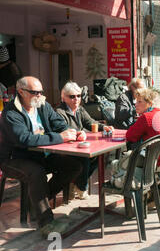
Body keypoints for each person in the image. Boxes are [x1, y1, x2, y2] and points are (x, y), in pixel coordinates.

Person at [0, 76, 83, 237]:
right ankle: (46, 223)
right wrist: (60, 137)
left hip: (40, 156)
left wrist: (73, 132)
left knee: (73, 166)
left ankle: (37, 202)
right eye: (35, 92)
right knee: (36, 173)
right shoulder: (11, 113)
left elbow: (59, 123)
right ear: (21, 92)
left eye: (41, 92)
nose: (39, 95)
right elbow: (25, 139)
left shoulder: (42, 105)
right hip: (14, 159)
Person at [56, 81, 114, 200]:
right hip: (64, 149)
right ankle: (81, 187)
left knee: (98, 156)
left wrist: (104, 127)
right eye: (72, 96)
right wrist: (78, 134)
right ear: (63, 98)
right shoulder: (59, 112)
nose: (76, 99)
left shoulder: (80, 109)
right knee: (86, 158)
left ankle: (76, 183)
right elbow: (63, 130)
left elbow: (90, 122)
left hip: (80, 146)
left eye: (78, 96)